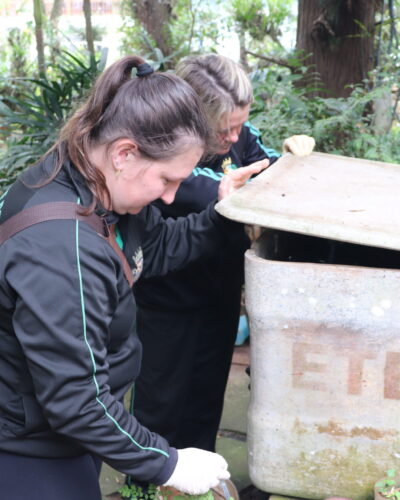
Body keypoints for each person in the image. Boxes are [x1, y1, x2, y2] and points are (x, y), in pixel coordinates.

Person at [0, 55, 267, 500]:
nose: (170, 195)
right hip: (28, 446)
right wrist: (167, 463)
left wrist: (223, 216)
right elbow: (77, 401)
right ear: (125, 152)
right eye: (165, 179)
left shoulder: (95, 181)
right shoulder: (60, 249)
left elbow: (155, 249)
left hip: (65, 435)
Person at [133, 54, 315, 452]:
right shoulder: (163, 149)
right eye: (224, 129)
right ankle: (145, 484)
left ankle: (202, 476)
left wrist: (289, 162)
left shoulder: (239, 133)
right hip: (166, 301)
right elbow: (207, 187)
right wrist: (260, 183)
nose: (234, 138)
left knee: (206, 397)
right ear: (192, 119)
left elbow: (262, 165)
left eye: (239, 124)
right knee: (160, 403)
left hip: (219, 294)